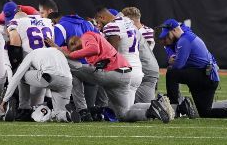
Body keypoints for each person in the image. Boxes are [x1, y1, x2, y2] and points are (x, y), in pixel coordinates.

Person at [45, 32, 173, 124]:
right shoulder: (88, 42)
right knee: (123, 114)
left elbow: (93, 49)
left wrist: (68, 54)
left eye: (71, 48)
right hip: (123, 76)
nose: (73, 51)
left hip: (111, 72)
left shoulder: (86, 36)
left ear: (74, 42)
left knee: (73, 68)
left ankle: (82, 110)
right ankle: (152, 108)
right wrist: (59, 49)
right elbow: (73, 51)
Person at [160, 20, 227, 119]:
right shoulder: (186, 36)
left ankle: (173, 108)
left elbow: (178, 66)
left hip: (205, 76)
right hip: (208, 76)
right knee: (205, 112)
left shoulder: (184, 40)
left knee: (172, 73)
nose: (166, 38)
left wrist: (172, 61)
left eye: (167, 34)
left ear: (174, 30)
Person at [6, 7, 55, 120]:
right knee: (38, 102)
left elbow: (15, 42)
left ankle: (24, 108)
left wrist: (14, 63)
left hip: (33, 63)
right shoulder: (47, 21)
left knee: (20, 73)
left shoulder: (17, 22)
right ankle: (48, 106)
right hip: (51, 64)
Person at [1, 47, 73, 123]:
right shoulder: (57, 52)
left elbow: (16, 77)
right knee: (59, 112)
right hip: (67, 81)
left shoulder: (30, 55)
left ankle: (24, 109)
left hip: (48, 78)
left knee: (21, 76)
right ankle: (66, 115)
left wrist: (5, 100)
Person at [93, 7, 143, 104]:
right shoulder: (128, 22)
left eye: (98, 22)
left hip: (124, 72)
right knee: (127, 109)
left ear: (102, 17)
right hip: (137, 71)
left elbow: (112, 53)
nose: (98, 25)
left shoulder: (111, 26)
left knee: (121, 110)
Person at [121, 7, 159, 103]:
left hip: (143, 67)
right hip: (139, 67)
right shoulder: (131, 31)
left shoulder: (147, 32)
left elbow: (142, 51)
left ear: (130, 19)